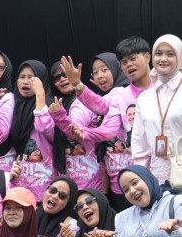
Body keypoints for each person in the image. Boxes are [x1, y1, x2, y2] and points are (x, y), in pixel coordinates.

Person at [60, 38, 153, 210]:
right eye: (124, 62)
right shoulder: (120, 94)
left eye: (133, 59)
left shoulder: (163, 87)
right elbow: (103, 112)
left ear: (147, 57)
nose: (129, 65)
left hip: (164, 169)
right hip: (134, 176)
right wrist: (78, 85)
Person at [131, 35, 182, 183]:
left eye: (170, 54)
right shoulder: (145, 98)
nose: (163, 59)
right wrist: (143, 178)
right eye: (158, 54)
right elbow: (140, 143)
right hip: (157, 178)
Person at [49, 61, 104, 191]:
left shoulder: (82, 102)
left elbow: (75, 131)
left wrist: (59, 116)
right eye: (56, 78)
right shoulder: (56, 104)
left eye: (65, 74)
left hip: (89, 182)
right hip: (67, 182)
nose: (62, 79)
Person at [10, 60, 55, 201]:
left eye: (31, 78)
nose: (25, 81)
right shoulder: (13, 106)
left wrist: (40, 94)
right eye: (22, 77)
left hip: (46, 185)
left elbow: (43, 127)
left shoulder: (51, 106)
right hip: (21, 185)